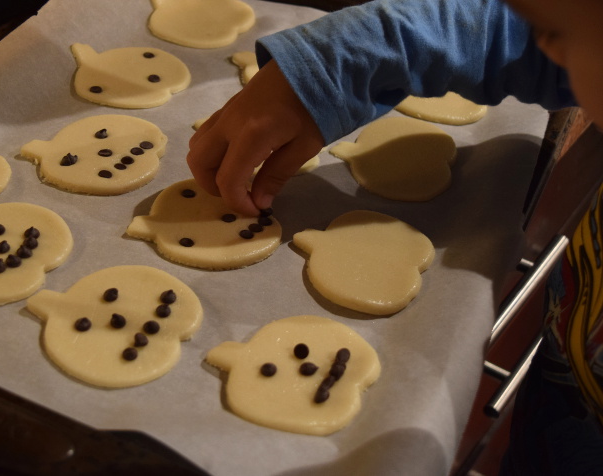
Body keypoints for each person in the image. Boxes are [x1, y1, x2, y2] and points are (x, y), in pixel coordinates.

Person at [186, 0, 603, 473]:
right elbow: (513, 37)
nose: (546, 40)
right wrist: (329, 66)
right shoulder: (578, 41)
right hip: (561, 385)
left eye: (560, 33)